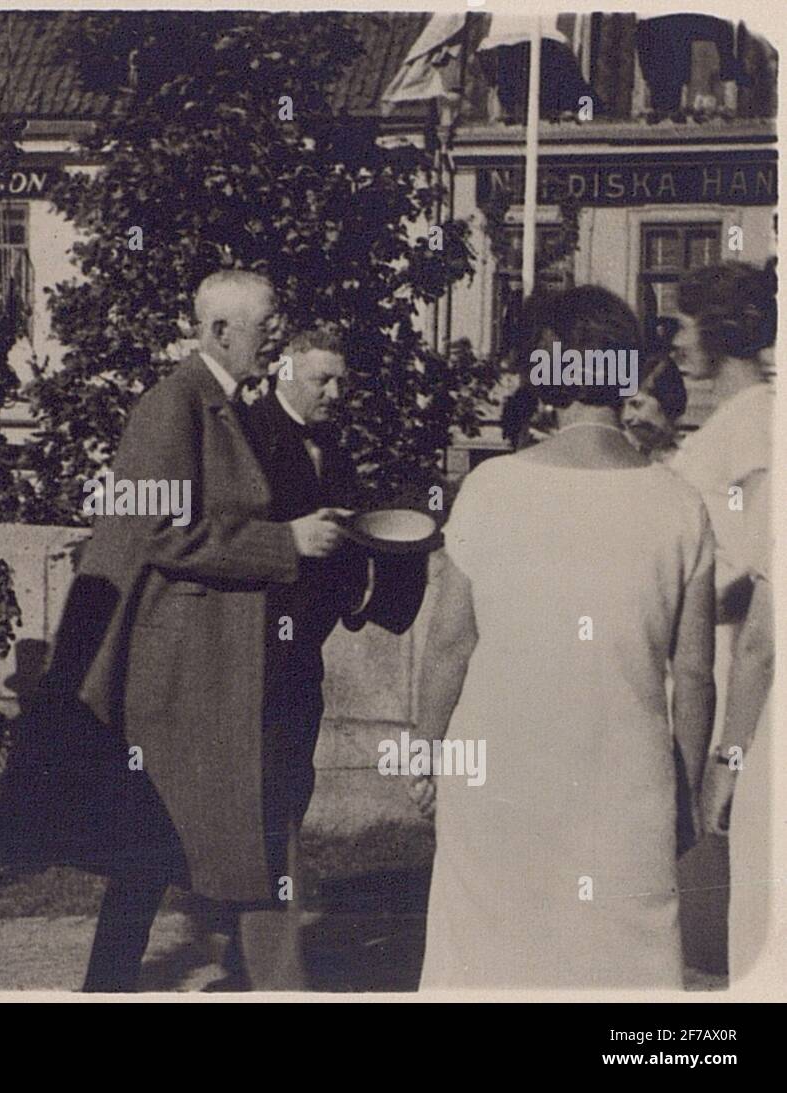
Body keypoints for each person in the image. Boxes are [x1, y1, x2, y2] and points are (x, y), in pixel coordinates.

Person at [0, 271, 351, 991]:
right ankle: (262, 983)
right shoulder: (174, 405)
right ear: (220, 332)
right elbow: (160, 531)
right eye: (267, 322)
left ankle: (130, 983)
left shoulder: (219, 402)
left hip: (214, 665)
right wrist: (283, 544)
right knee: (214, 832)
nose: (276, 335)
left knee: (173, 843)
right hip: (183, 673)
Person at [410, 286, 716, 988]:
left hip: (500, 783)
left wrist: (423, 749)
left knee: (490, 967)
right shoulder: (681, 504)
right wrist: (687, 791)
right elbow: (694, 675)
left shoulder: (493, 488)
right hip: (627, 789)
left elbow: (450, 643)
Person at [227, 327, 428, 986]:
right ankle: (279, 976)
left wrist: (371, 566)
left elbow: (343, 548)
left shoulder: (334, 449)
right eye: (322, 380)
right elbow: (216, 535)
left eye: (342, 380)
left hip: (298, 662)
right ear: (285, 369)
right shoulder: (244, 435)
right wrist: (292, 539)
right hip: (245, 658)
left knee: (287, 799)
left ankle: (246, 950)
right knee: (269, 812)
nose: (335, 393)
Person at [669, 260, 775, 980]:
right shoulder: (730, 419)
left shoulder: (760, 420)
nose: (673, 339)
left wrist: (661, 598)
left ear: (717, 330)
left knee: (730, 918)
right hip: (696, 662)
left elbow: (755, 565)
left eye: (680, 322)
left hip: (732, 673)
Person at [623, 351, 688, 462]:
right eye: (621, 407)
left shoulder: (692, 457)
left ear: (668, 402)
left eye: (636, 405)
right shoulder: (620, 454)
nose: (626, 416)